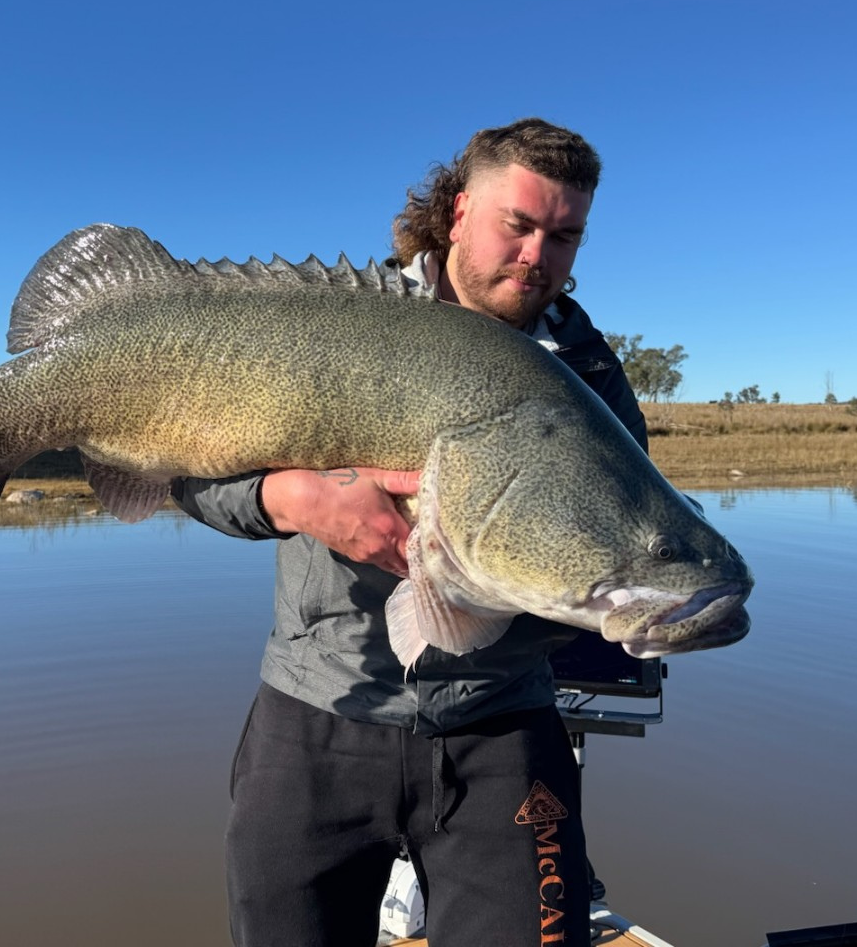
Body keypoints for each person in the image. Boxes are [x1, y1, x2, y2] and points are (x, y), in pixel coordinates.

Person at [172, 119, 647, 947]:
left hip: (502, 724)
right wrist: (291, 498)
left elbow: (625, 545)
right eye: (519, 225)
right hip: (318, 709)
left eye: (565, 236)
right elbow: (187, 473)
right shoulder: (337, 323)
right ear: (459, 213)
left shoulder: (592, 378)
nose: (539, 255)